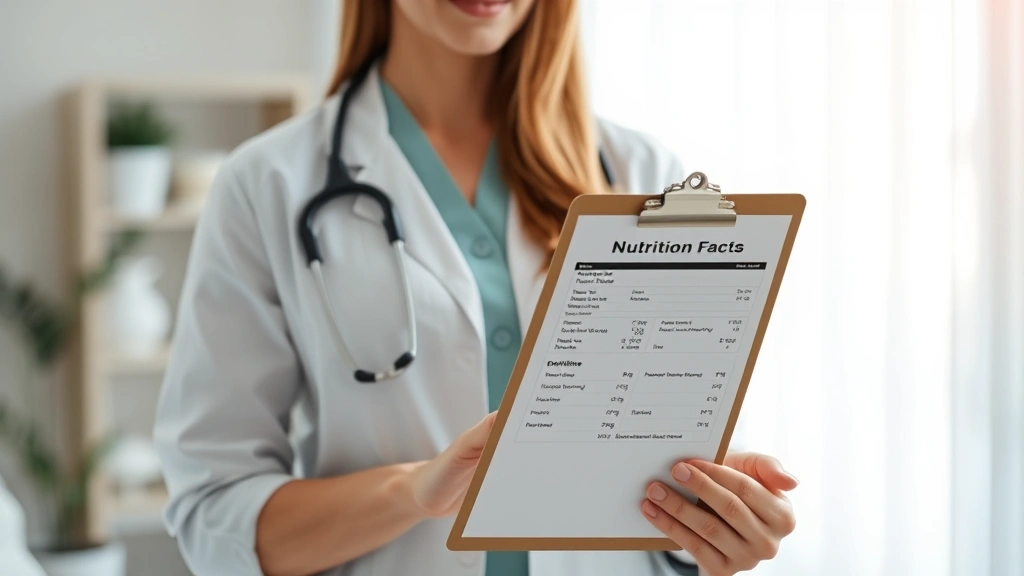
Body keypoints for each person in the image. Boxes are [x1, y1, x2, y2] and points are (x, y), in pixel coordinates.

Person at [153, 1, 798, 575]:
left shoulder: (643, 174)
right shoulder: (266, 184)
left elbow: (670, 460)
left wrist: (713, 528)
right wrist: (412, 492)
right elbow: (216, 512)